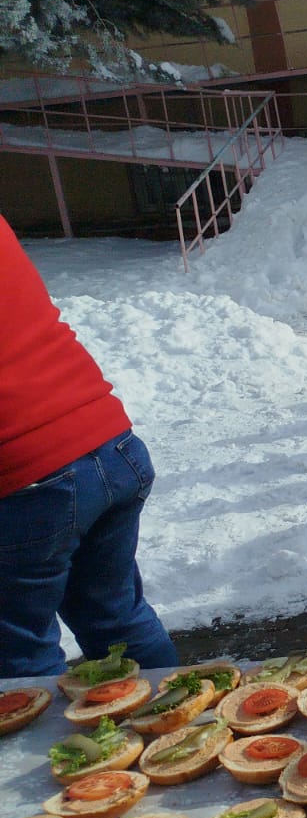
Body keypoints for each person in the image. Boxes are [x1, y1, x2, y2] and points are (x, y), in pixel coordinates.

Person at [0, 216, 179, 678]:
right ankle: (183, 732)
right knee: (117, 620)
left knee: (20, 656)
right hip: (109, 442)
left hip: (24, 473)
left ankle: (38, 749)